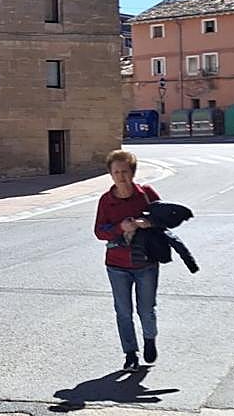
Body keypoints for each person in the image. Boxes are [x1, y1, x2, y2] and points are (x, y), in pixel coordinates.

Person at [94, 149, 161, 371]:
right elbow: (99, 232)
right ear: (111, 175)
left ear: (132, 172)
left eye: (125, 171)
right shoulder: (106, 200)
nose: (121, 176)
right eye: (116, 172)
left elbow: (165, 218)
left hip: (146, 262)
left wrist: (147, 223)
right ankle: (130, 353)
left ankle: (149, 340)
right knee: (123, 311)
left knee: (146, 308)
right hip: (116, 263)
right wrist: (118, 228)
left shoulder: (146, 194)